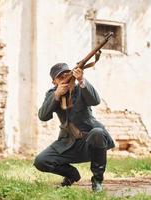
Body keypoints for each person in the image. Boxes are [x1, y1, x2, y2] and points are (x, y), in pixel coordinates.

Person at [33, 63, 115, 192]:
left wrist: (81, 80)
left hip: (90, 141)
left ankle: (97, 181)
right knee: (41, 161)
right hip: (68, 143)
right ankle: (71, 175)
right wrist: (56, 95)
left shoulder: (81, 88)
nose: (65, 76)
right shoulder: (52, 93)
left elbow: (96, 101)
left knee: (98, 132)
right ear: (54, 82)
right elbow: (43, 116)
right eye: (60, 76)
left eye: (67, 73)